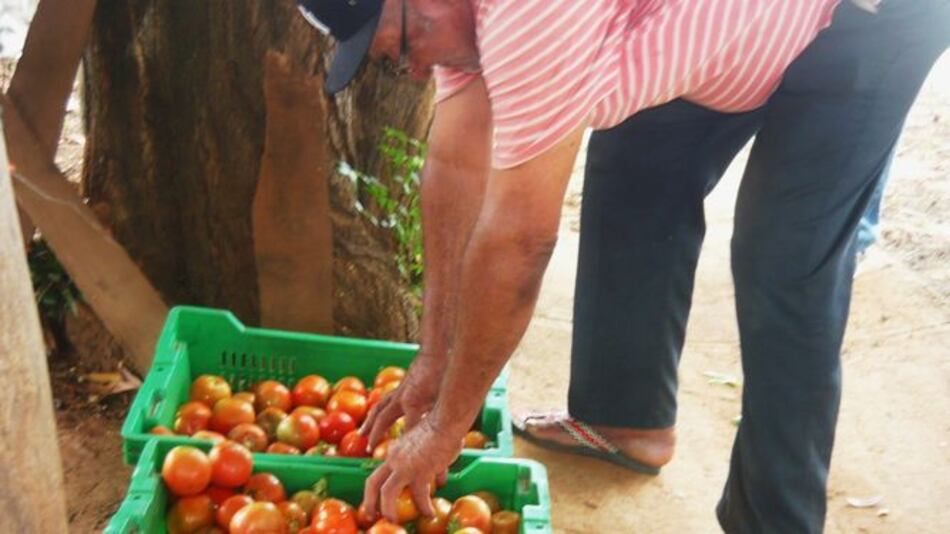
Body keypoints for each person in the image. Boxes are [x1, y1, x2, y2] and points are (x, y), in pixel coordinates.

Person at [296, 0, 950, 531]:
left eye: (400, 51)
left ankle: (776, 522)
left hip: (870, 20)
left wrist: (444, 427)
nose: (410, 73)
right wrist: (433, 358)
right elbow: (456, 165)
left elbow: (519, 242)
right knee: (638, 168)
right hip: (737, 21)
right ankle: (626, 420)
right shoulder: (449, 19)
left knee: (784, 261)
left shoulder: (527, 16)